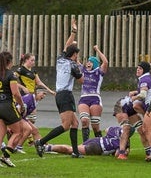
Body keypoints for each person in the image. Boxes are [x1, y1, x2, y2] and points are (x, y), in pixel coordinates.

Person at [34, 20, 84, 158]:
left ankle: (75, 152)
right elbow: (82, 80)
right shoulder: (73, 65)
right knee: (66, 124)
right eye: (77, 55)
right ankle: (41, 142)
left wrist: (73, 32)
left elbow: (67, 46)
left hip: (60, 95)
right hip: (66, 95)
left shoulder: (60, 59)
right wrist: (80, 66)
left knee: (75, 123)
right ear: (74, 55)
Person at [78, 45, 108, 141]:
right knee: (84, 120)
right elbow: (75, 60)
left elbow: (105, 62)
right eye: (87, 62)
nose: (88, 63)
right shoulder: (83, 71)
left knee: (95, 126)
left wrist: (97, 50)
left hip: (95, 98)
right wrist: (75, 48)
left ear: (95, 64)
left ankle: (100, 144)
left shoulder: (98, 71)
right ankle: (85, 144)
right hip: (83, 98)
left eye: (91, 62)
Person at [0, 51, 24, 167]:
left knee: (1, 133)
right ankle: (6, 156)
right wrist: (22, 104)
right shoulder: (11, 74)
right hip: (7, 106)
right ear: (9, 61)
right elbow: (16, 93)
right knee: (19, 131)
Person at [43, 126, 134, 156]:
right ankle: (47, 148)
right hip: (98, 148)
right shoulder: (123, 142)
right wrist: (126, 150)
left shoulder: (116, 129)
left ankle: (49, 147)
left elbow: (106, 130)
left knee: (74, 149)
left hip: (96, 140)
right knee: (71, 150)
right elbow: (117, 154)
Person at [129, 61, 151, 158]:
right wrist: (135, 92)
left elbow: (143, 95)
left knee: (147, 130)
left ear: (144, 70)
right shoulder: (148, 78)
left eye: (140, 68)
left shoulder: (144, 79)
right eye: (137, 68)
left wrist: (134, 98)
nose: (137, 70)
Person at [13, 89, 47, 154]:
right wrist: (18, 120)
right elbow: (18, 107)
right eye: (43, 93)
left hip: (21, 117)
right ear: (37, 92)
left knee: (35, 130)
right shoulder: (29, 98)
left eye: (45, 94)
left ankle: (43, 146)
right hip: (15, 116)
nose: (44, 96)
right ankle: (17, 147)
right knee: (28, 129)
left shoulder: (35, 100)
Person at [113, 95, 143, 160]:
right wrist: (146, 114)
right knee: (126, 128)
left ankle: (150, 152)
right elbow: (136, 105)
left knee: (142, 130)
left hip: (132, 110)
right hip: (121, 106)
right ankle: (121, 153)